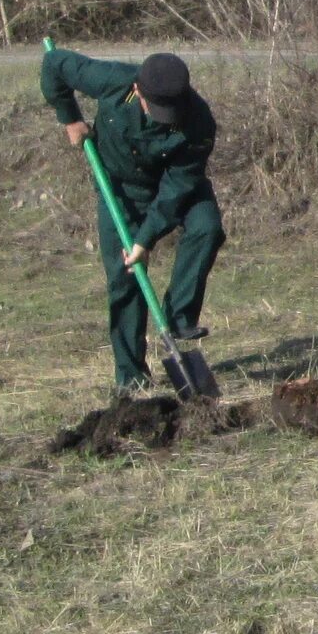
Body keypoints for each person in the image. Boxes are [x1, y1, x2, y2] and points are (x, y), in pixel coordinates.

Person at [41, 45, 224, 396]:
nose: (163, 118)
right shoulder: (112, 81)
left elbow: (177, 188)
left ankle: (178, 316)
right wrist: (69, 117)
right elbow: (53, 64)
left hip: (175, 188)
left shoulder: (199, 122)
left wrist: (145, 239)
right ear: (137, 90)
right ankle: (131, 375)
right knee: (124, 279)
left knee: (206, 227)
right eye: (156, 109)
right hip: (121, 189)